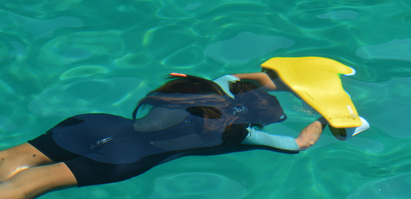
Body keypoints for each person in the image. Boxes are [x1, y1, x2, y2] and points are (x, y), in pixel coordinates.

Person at [0, 72, 328, 199]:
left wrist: (286, 80)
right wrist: (328, 117)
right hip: (124, 158)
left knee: (8, 160)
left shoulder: (212, 86)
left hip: (96, 125)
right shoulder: (240, 133)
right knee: (27, 185)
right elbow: (299, 144)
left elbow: (243, 77)